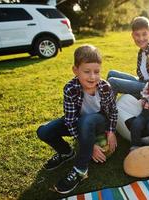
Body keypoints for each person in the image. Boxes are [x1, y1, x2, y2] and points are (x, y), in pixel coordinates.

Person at [36, 45, 118, 194]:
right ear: (75, 70)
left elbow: (113, 111)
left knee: (86, 121)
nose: (92, 77)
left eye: (97, 72)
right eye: (87, 72)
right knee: (43, 131)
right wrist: (90, 146)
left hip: (99, 122)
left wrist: (111, 132)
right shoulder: (70, 88)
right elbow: (71, 120)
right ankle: (66, 152)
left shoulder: (105, 87)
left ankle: (81, 169)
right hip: (78, 122)